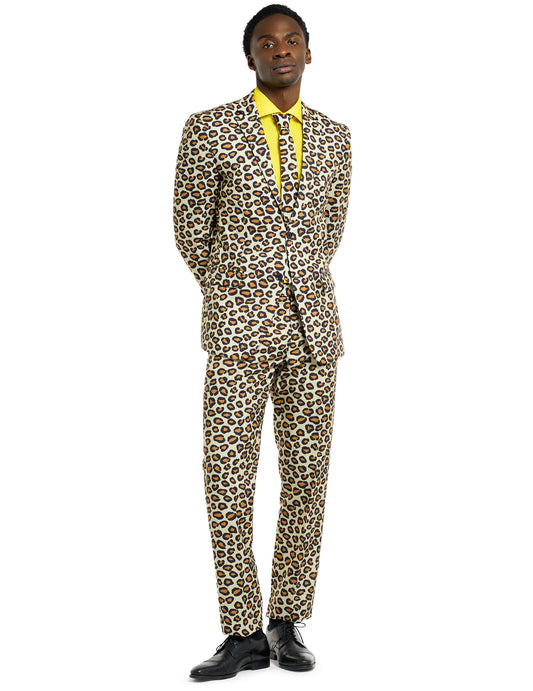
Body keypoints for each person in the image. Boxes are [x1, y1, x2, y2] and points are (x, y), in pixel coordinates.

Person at [173, 3, 352, 680]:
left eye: (292, 40)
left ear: (308, 53)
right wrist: (234, 290)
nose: (280, 50)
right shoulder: (210, 128)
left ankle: (286, 619)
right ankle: (242, 630)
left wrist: (292, 285)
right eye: (266, 42)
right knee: (228, 479)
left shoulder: (336, 137)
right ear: (249, 56)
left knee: (306, 479)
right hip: (236, 330)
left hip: (313, 331)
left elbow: (329, 231)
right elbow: (191, 229)